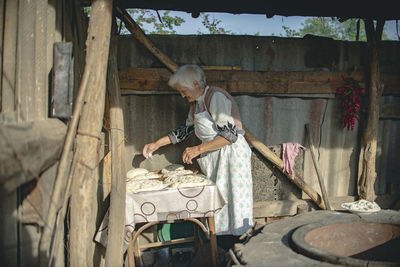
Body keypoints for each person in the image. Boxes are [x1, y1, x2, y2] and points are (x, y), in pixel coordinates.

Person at [142, 64, 253, 241]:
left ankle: (237, 248)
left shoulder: (215, 97)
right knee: (219, 208)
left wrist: (198, 149)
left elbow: (230, 135)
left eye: (183, 90)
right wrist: (157, 144)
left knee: (234, 206)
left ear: (195, 84)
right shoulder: (196, 104)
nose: (182, 95)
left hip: (232, 158)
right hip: (216, 157)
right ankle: (221, 248)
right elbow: (185, 130)